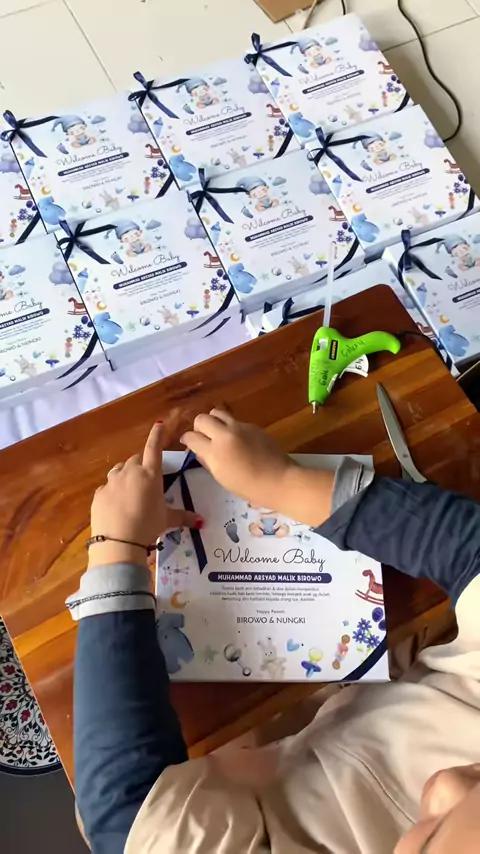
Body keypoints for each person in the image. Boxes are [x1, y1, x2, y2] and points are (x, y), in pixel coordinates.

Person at [68, 412, 480, 854]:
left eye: (432, 837)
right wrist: (282, 483)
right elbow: (469, 546)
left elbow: (125, 811)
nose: (448, 785)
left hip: (262, 771)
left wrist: (115, 549)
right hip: (386, 689)